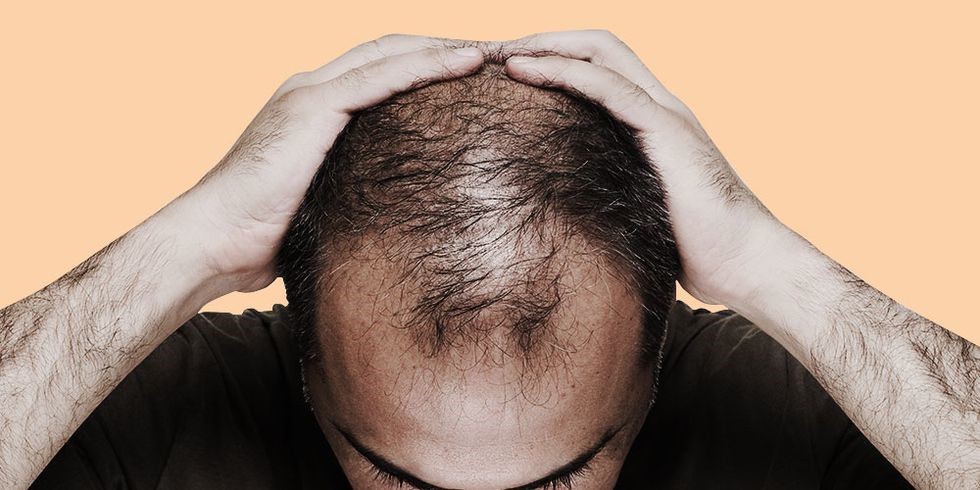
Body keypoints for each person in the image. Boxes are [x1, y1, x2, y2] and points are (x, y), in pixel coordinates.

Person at [1, 31, 976, 489]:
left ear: (656, 360)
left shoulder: (798, 408)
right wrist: (183, 243)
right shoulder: (144, 407)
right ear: (303, 356)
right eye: (397, 476)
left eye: (559, 479)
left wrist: (772, 266)